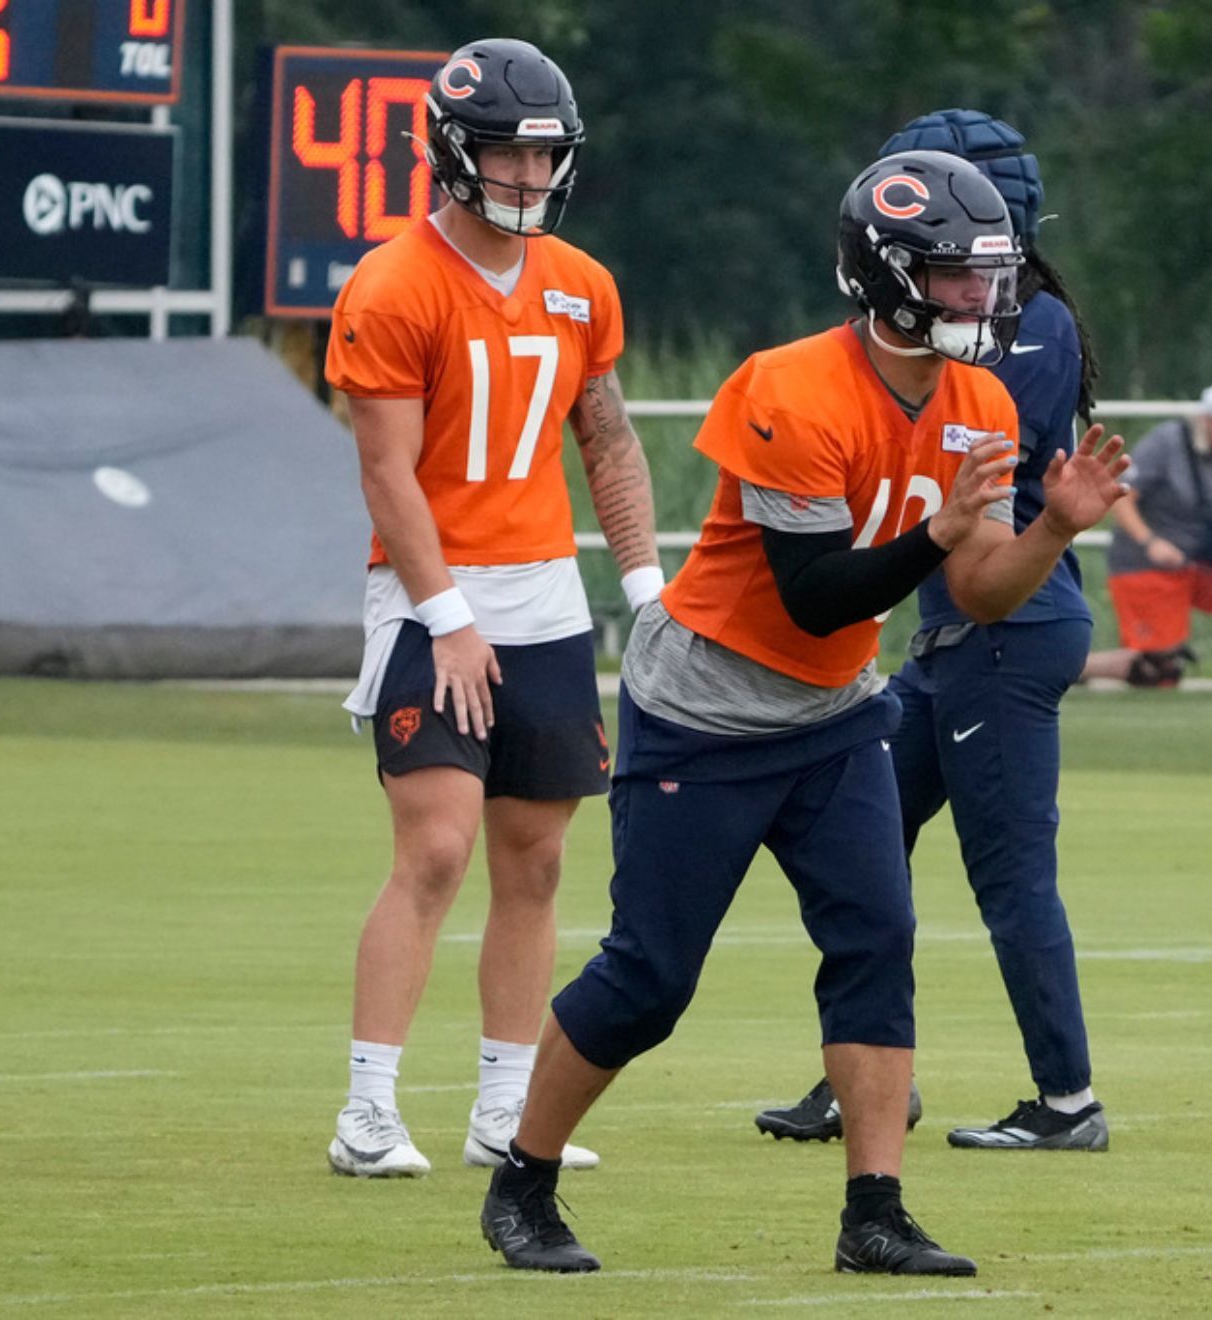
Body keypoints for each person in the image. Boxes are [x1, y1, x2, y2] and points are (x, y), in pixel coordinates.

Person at [477, 149, 1130, 1275]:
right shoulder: (789, 388)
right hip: (707, 709)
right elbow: (817, 591)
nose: (987, 299)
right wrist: (936, 534)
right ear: (887, 276)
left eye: (991, 275)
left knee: (878, 943)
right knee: (650, 977)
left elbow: (976, 594)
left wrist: (1053, 529)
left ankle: (873, 1210)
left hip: (833, 713)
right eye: (960, 276)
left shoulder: (976, 402)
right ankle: (522, 1180)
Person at [322, 38, 662, 1180]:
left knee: (537, 859)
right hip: (428, 597)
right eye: (511, 154)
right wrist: (448, 615)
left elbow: (606, 439)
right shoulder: (392, 284)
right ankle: (368, 1109)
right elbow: (387, 476)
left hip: (546, 597)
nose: (529, 176)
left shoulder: (582, 283)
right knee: (437, 848)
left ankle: (509, 1112)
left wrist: (647, 587)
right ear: (456, 154)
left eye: (544, 155)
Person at [754, 109, 1108, 1153]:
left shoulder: (1024, 328)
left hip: (1004, 627)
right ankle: (867, 1075)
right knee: (859, 855)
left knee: (1009, 874)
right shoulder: (997, 321)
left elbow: (971, 455)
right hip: (953, 636)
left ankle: (1068, 1099)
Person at [1080, 380, 1212, 687]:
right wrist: (1151, 542)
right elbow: (1123, 497)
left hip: (1201, 562)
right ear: (1209, 420)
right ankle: (1072, 668)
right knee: (1159, 670)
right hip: (1150, 564)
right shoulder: (1167, 443)